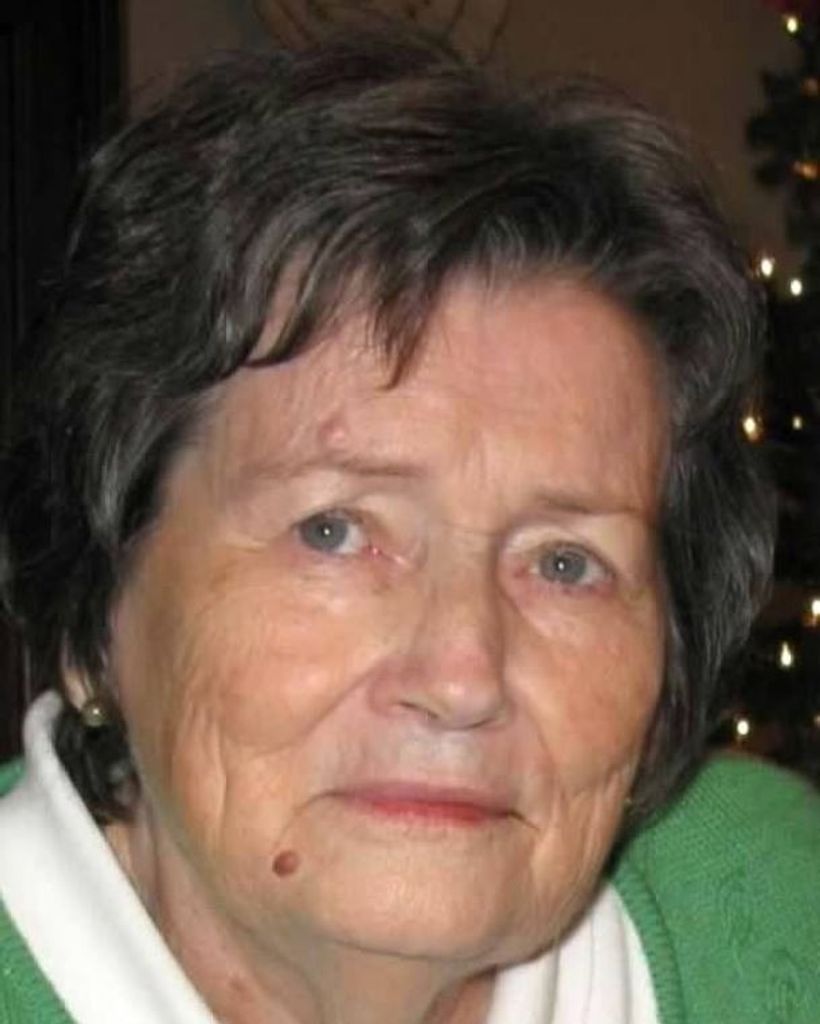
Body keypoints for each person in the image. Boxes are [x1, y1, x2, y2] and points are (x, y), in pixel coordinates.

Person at [0, 28, 818, 1024]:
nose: (461, 679)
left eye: (565, 563)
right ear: (96, 615)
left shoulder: (776, 905)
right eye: (335, 532)